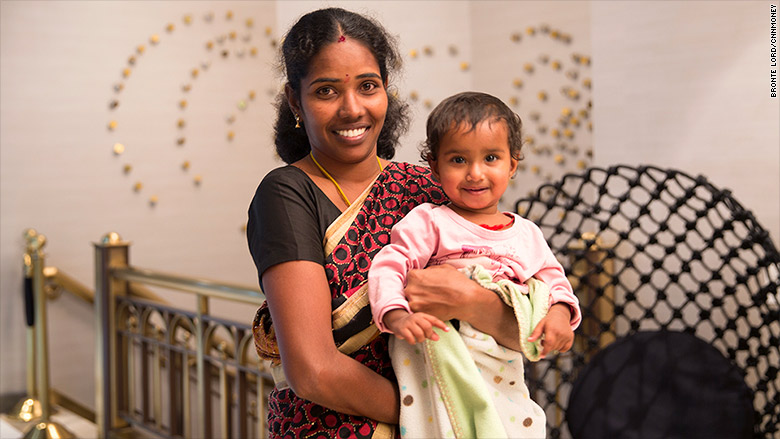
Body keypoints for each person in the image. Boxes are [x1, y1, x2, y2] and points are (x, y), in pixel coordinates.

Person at [247, 8, 576, 438]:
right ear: (296, 100)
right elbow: (314, 371)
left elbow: (526, 332)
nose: (352, 109)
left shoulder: (432, 186)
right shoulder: (287, 193)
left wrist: (469, 300)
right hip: (340, 427)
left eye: (368, 86)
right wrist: (442, 413)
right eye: (326, 91)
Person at [367, 91, 581, 438]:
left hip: (500, 363)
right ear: (434, 166)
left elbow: (555, 283)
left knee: (509, 424)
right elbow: (389, 266)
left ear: (512, 164)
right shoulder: (430, 222)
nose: (475, 173)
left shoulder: (526, 235)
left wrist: (558, 316)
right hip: (440, 352)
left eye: (491, 158)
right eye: (458, 160)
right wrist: (397, 314)